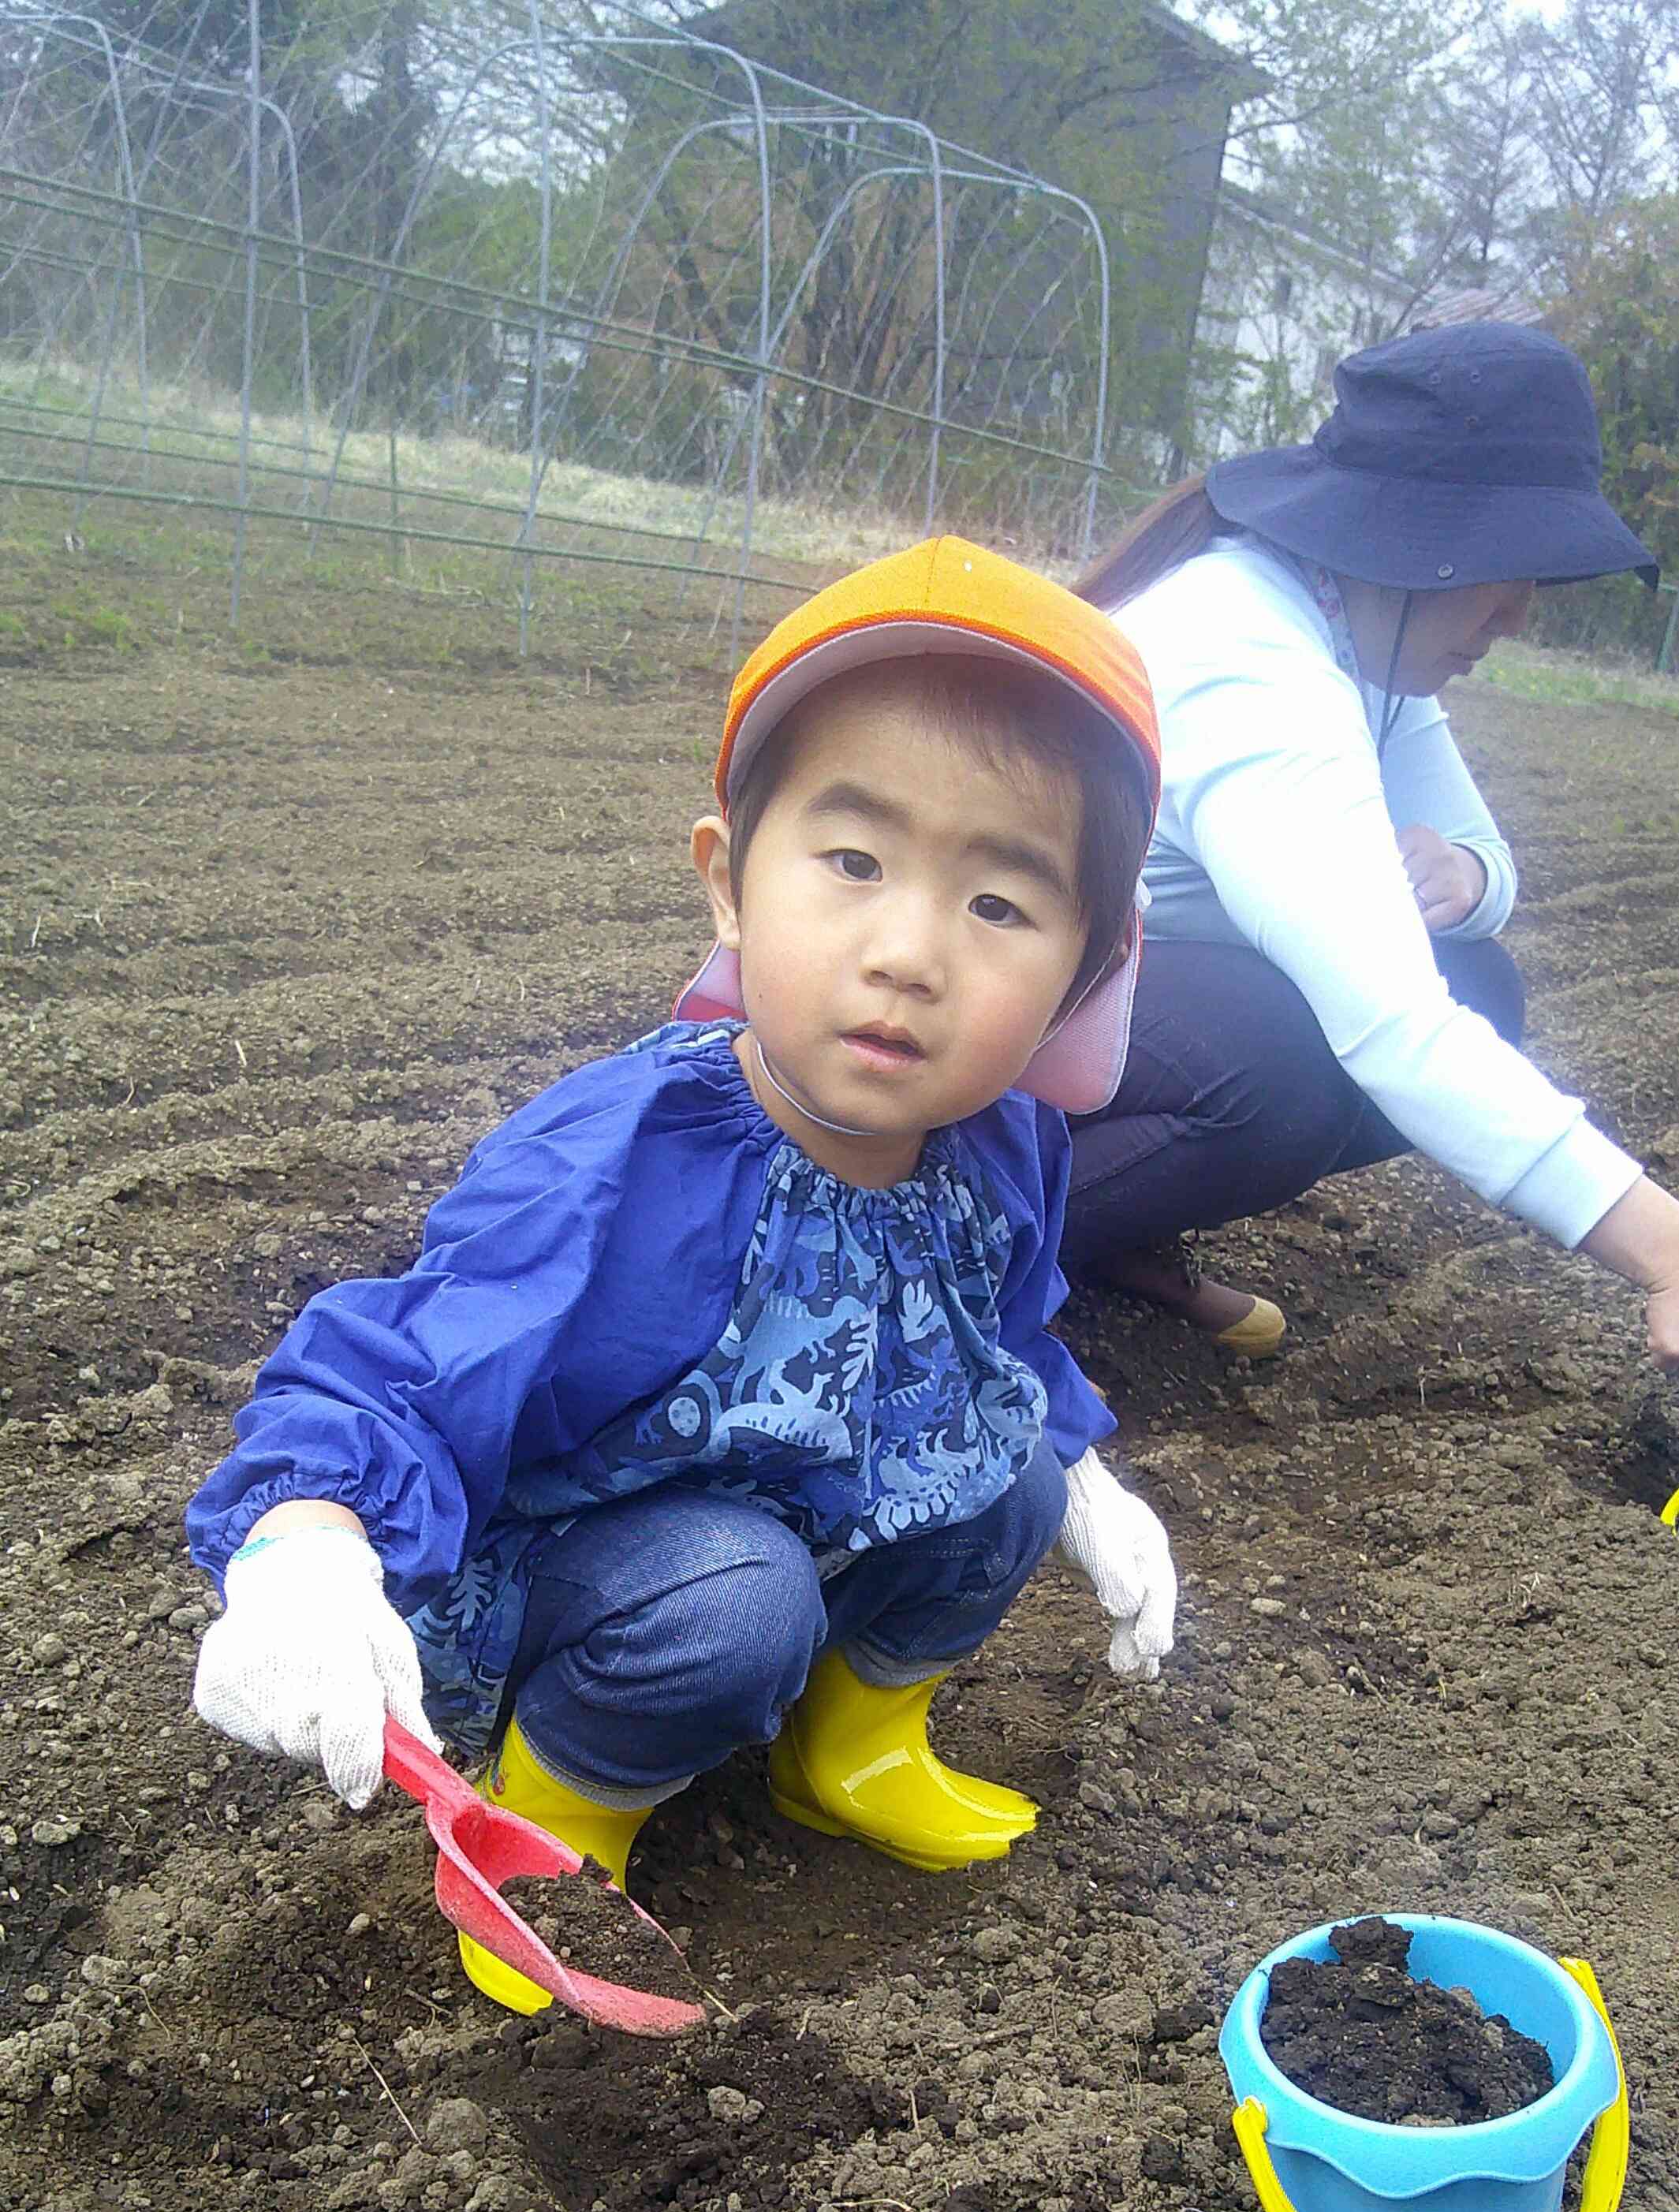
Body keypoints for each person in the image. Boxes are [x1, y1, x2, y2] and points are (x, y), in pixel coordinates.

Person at [185, 535, 1180, 2016]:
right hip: (596, 1563)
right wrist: (302, 1552)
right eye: (852, 862)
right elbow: (394, 1363)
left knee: (1017, 1473)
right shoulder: (619, 1166)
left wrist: (1087, 1477)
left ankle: (851, 1747)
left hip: (803, 1515)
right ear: (728, 880)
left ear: (1088, 969)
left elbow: (1003, 1331)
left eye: (1000, 904)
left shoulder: (1003, 1142)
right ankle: (557, 1821)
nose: (908, 951)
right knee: (733, 1592)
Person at [1062, 323, 1679, 1368]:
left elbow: (1482, 855)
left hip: (1077, 996)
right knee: (1287, 1062)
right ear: (1415, 538)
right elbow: (1392, 1027)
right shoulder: (1253, 658)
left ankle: (1098, 1231)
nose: (1520, 615)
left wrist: (1466, 875)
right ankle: (948, 1237)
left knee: (1477, 982)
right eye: (1510, 569)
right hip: (946, 1016)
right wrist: (1664, 1249)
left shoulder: (1353, 632)